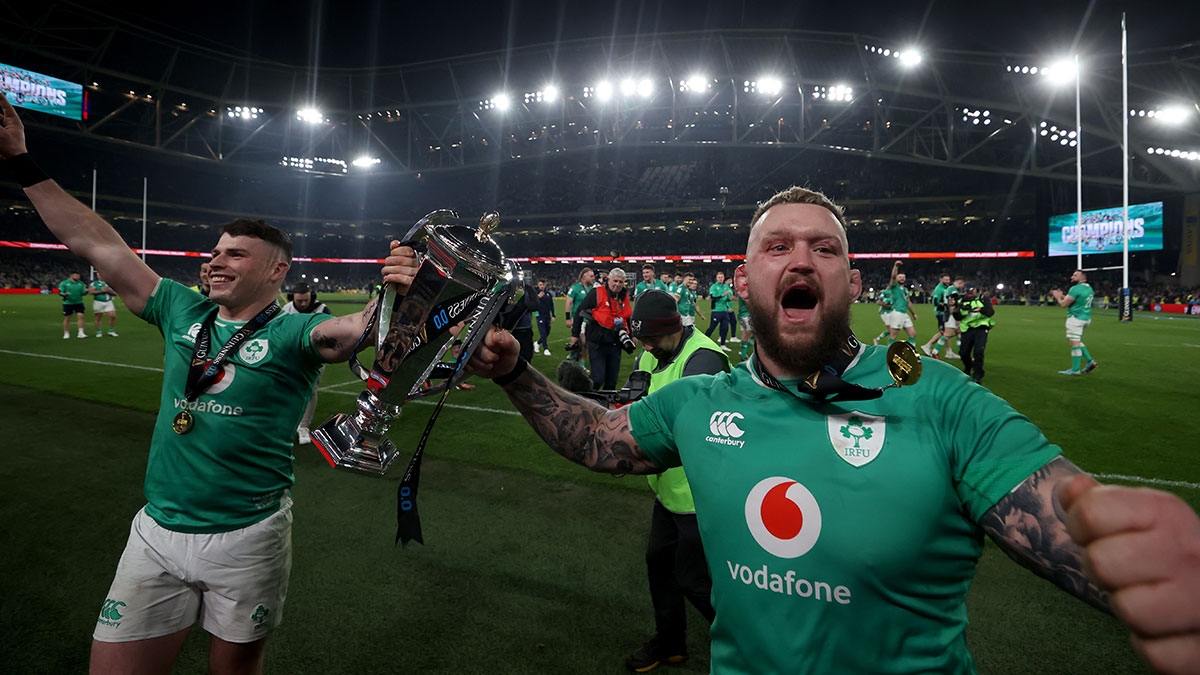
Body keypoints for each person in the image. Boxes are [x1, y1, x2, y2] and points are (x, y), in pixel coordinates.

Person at [456, 185, 1200, 674]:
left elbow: (1076, 522)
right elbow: (594, 435)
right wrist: (518, 371)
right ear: (742, 282)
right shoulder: (699, 399)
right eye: (776, 246)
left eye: (825, 247)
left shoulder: (939, 397)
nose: (801, 258)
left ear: (851, 281)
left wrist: (1144, 562)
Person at [0, 92, 419, 675]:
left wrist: (401, 292)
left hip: (248, 536)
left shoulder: (297, 332)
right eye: (214, 252)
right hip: (157, 532)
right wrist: (22, 161)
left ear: (277, 271)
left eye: (236, 255)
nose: (214, 262)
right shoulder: (180, 309)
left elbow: (354, 330)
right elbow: (93, 240)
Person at [624, 290, 728, 672]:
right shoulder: (651, 353)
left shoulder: (704, 359)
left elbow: (691, 425)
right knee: (660, 564)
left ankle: (757, 644)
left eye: (652, 338)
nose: (647, 346)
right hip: (669, 491)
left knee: (696, 580)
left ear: (672, 328)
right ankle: (671, 644)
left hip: (702, 496)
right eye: (642, 339)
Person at [281, 282, 333, 444]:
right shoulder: (286, 310)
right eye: (299, 301)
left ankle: (304, 426)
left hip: (314, 357)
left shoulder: (322, 310)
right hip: (291, 355)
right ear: (292, 298)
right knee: (286, 388)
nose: (303, 304)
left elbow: (330, 334)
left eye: (306, 300)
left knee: (310, 390)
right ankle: (287, 421)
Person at [569, 267, 633, 390]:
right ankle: (589, 402)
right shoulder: (596, 293)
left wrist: (631, 336)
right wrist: (575, 334)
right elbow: (579, 311)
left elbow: (627, 316)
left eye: (620, 282)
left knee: (612, 382)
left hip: (615, 343)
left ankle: (607, 408)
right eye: (615, 281)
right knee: (597, 379)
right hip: (598, 343)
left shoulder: (624, 296)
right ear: (608, 280)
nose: (617, 284)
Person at [1050, 270, 1098, 375]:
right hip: (1086, 318)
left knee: (1074, 343)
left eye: (1075, 275)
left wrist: (1058, 297)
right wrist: (1063, 296)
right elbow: (1074, 300)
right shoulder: (1089, 288)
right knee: (1075, 340)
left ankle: (1076, 369)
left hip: (1075, 319)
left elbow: (1063, 304)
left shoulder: (1075, 289)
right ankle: (1090, 361)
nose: (1072, 276)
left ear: (1082, 278)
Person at [955, 287, 995, 384]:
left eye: (972, 292)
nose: (970, 294)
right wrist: (957, 309)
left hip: (981, 328)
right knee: (963, 352)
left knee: (978, 351)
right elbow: (957, 317)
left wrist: (981, 309)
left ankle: (978, 374)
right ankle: (968, 366)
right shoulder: (961, 301)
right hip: (967, 329)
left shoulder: (983, 299)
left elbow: (990, 312)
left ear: (976, 291)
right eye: (968, 292)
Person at [921, 273, 961, 359]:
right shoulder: (938, 289)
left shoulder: (947, 288)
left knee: (947, 332)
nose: (948, 281)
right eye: (946, 280)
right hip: (941, 313)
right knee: (945, 333)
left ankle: (949, 352)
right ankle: (928, 346)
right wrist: (944, 305)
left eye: (948, 280)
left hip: (947, 313)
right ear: (941, 280)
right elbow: (935, 302)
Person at [885, 260, 918, 344]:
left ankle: (911, 352)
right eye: (900, 277)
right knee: (893, 335)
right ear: (896, 278)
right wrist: (896, 266)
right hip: (897, 313)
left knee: (912, 334)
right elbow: (893, 277)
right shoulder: (894, 287)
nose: (902, 278)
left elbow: (908, 302)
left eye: (903, 277)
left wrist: (913, 313)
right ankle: (890, 353)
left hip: (904, 313)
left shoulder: (905, 290)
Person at [704, 270, 734, 350]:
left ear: (724, 278)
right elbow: (713, 297)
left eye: (722, 277)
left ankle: (723, 344)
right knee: (712, 328)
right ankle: (703, 341)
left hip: (724, 311)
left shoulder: (725, 287)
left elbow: (727, 299)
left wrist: (730, 299)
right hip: (716, 311)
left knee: (725, 328)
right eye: (719, 277)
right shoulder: (714, 287)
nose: (721, 279)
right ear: (716, 278)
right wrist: (722, 295)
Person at [59, 270, 88, 339]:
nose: (78, 277)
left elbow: (83, 293)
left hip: (79, 302)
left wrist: (86, 291)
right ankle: (66, 333)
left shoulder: (81, 283)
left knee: (80, 316)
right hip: (68, 303)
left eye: (78, 275)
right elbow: (60, 292)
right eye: (76, 275)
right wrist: (64, 294)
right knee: (67, 318)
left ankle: (80, 333)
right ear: (71, 276)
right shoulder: (64, 283)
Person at [532, 279, 555, 357]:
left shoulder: (548, 294)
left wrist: (554, 315)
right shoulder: (535, 293)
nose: (541, 286)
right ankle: (546, 349)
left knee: (547, 331)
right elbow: (532, 304)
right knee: (543, 333)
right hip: (540, 315)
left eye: (543, 284)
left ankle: (537, 343)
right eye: (540, 285)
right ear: (538, 285)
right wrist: (538, 297)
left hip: (547, 315)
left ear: (545, 285)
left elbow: (551, 305)